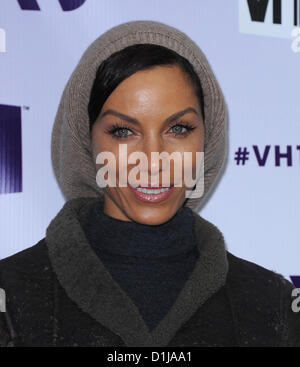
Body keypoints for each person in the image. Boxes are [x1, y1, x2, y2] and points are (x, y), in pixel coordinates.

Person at [0, 20, 299, 347]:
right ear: (86, 142)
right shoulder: (10, 297)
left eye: (179, 129)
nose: (154, 160)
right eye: (123, 131)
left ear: (207, 141)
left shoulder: (274, 305)